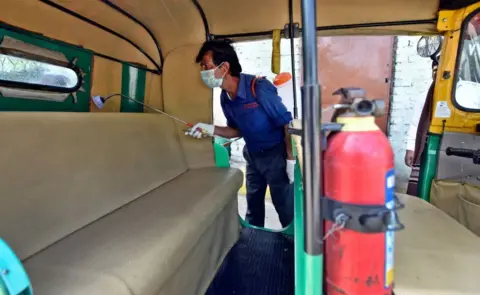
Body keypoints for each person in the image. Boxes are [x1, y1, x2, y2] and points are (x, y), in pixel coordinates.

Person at [185, 39, 295, 228]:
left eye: (207, 66)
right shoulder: (225, 97)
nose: (203, 72)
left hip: (276, 157)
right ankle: (253, 243)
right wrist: (209, 129)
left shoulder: (257, 87)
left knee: (286, 210)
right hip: (252, 157)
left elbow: (287, 123)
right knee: (253, 208)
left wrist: (290, 161)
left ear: (225, 67)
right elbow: (236, 131)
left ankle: (293, 250)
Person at [405, 59, 437, 195]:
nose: (436, 73)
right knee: (419, 185)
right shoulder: (424, 96)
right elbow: (416, 123)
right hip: (426, 144)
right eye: (434, 70)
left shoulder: (462, 92)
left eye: (439, 70)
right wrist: (411, 148)